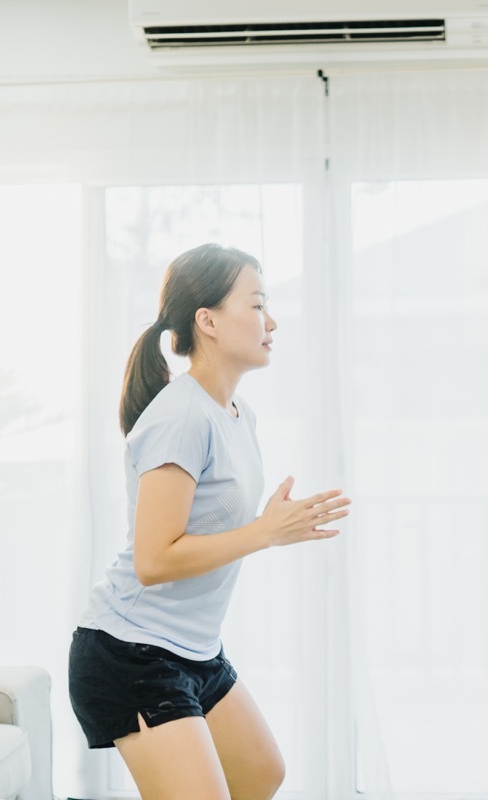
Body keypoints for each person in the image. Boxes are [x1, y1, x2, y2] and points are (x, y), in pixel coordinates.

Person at [68, 243, 350, 799]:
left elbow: (210, 531)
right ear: (208, 321)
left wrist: (268, 525)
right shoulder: (181, 416)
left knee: (261, 772)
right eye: (257, 305)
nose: (272, 322)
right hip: (130, 651)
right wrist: (264, 532)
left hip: (195, 649)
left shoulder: (238, 415)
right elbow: (153, 561)